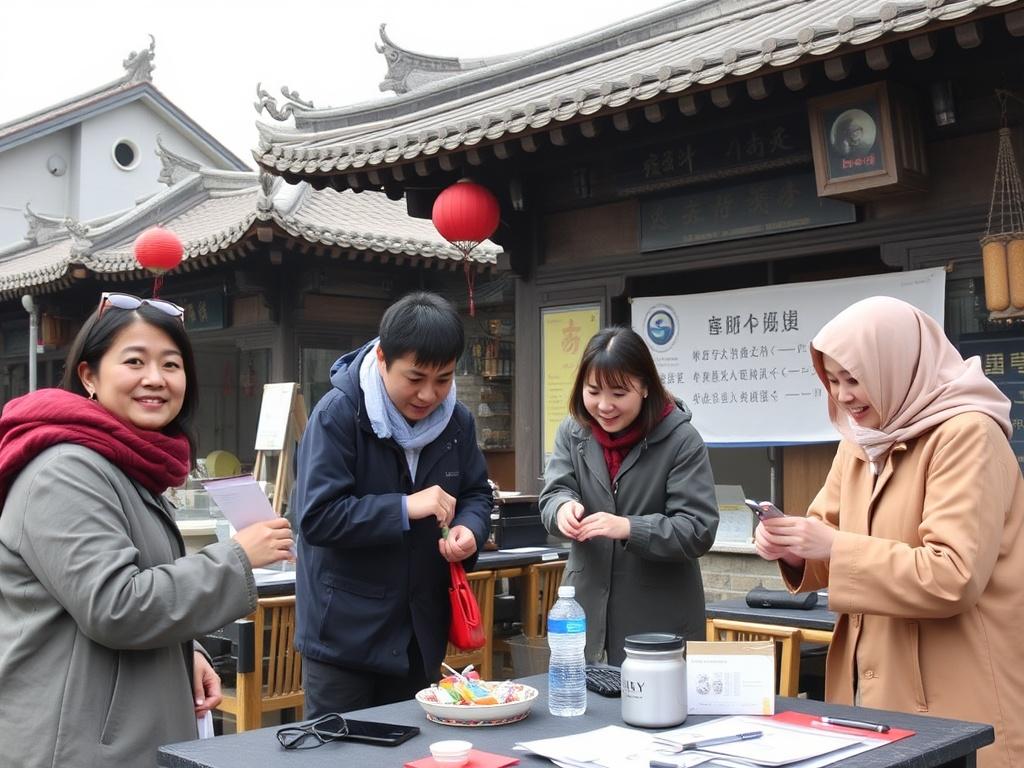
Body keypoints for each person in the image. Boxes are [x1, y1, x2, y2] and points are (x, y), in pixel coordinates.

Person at [0, 292, 294, 768]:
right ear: (89, 376)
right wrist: (236, 556)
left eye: (171, 364)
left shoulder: (124, 465)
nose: (155, 379)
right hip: (74, 744)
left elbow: (131, 584)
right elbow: (115, 605)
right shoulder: (65, 471)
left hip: (117, 732)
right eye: (134, 361)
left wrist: (185, 650)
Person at [755, 296, 1024, 768]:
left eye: (855, 378)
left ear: (897, 366)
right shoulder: (861, 441)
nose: (843, 395)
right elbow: (826, 531)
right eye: (832, 380)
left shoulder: (967, 434)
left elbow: (953, 575)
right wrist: (792, 546)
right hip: (870, 691)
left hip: (956, 696)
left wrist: (831, 545)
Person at [292, 291, 492, 716]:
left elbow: (477, 493)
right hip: (345, 640)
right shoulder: (338, 414)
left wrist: (470, 529)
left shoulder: (457, 422)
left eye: (443, 379)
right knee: (338, 749)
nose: (428, 395)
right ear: (382, 358)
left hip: (419, 633)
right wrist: (404, 507)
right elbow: (316, 517)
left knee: (413, 746)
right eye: (415, 378)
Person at [539, 326, 719, 666]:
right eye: (593, 391)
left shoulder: (682, 440)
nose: (604, 405)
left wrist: (628, 528)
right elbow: (554, 492)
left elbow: (698, 528)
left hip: (659, 618)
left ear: (646, 387)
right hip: (584, 613)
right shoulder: (572, 431)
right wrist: (561, 508)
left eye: (619, 393)